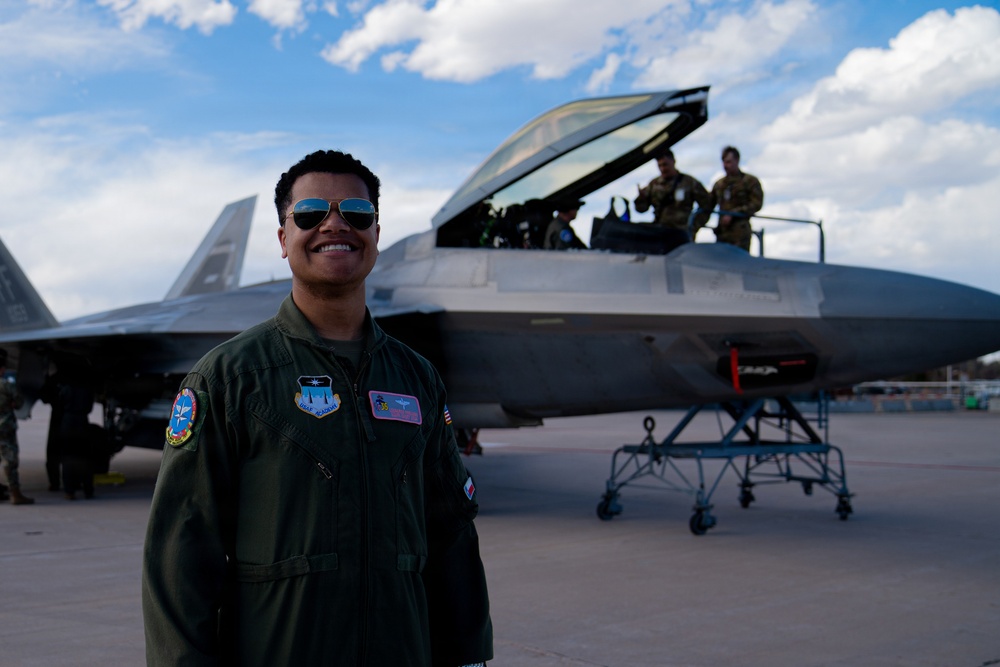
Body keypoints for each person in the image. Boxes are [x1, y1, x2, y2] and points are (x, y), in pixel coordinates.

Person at [142, 149, 493, 667]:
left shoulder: (417, 379)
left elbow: (452, 536)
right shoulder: (230, 379)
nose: (335, 224)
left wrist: (468, 655)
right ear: (284, 240)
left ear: (375, 233)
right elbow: (181, 551)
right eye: (310, 214)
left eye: (356, 213)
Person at [634, 148, 711, 241]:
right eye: (660, 166)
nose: (663, 169)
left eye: (665, 164)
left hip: (682, 234)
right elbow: (641, 209)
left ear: (673, 161)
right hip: (660, 233)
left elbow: (707, 205)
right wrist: (641, 198)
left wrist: (694, 225)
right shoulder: (653, 184)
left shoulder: (689, 182)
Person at [707, 145, 764, 251]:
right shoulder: (719, 185)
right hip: (722, 233)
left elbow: (757, 204)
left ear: (737, 160)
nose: (725, 165)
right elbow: (708, 205)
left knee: (739, 264)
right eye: (724, 162)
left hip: (740, 233)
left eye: (728, 162)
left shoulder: (750, 181)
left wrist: (734, 214)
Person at [0, 348, 34, 505]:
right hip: (6, 427)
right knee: (10, 460)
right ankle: (15, 493)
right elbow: (19, 403)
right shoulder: (7, 386)